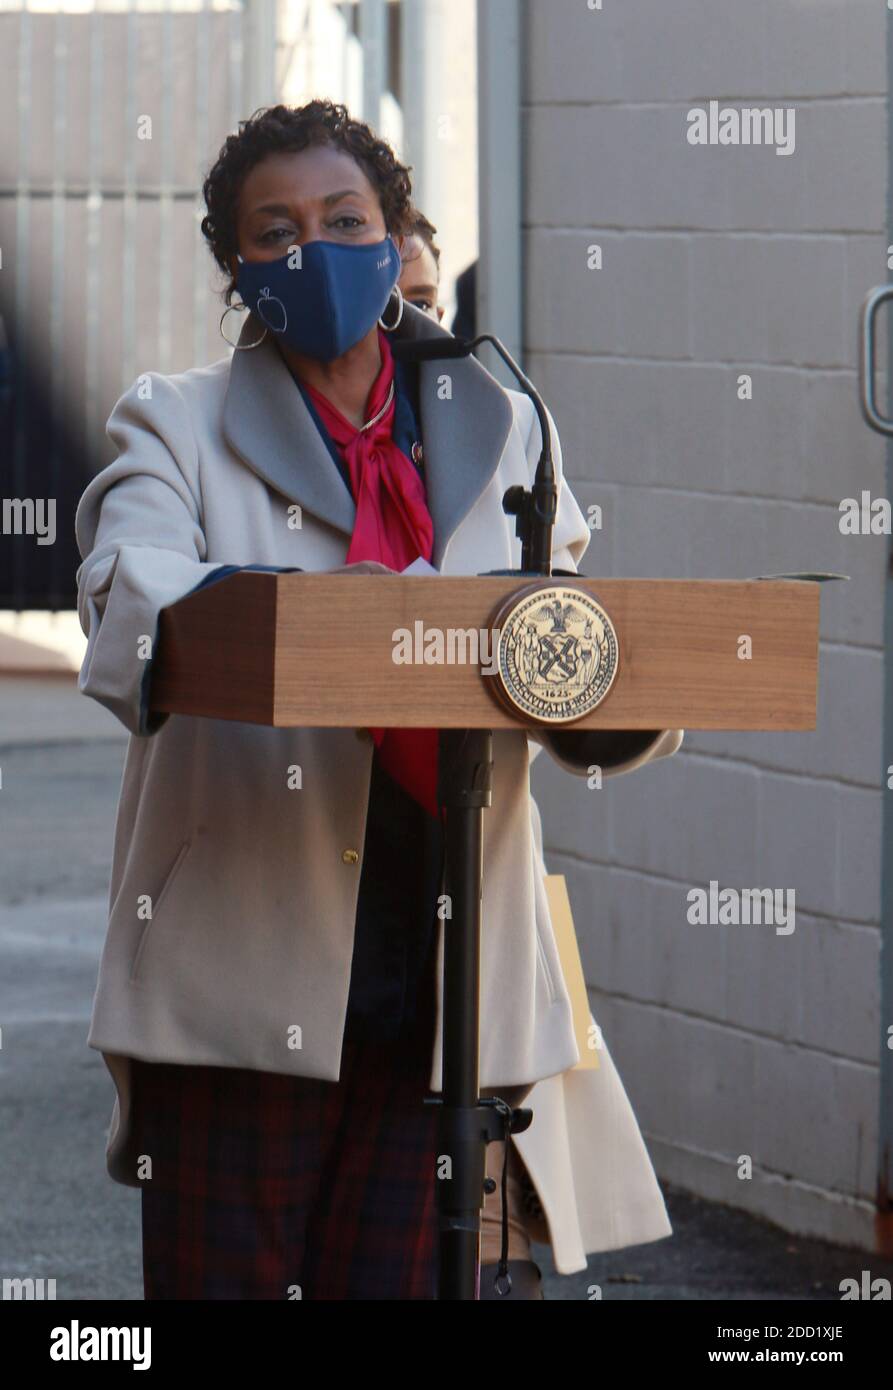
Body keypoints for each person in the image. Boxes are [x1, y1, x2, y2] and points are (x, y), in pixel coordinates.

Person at [75, 99, 682, 1301]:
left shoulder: (503, 423)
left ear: (395, 232)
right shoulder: (174, 421)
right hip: (245, 974)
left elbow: (562, 625)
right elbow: (128, 598)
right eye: (275, 228)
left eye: (344, 219)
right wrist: (336, 622)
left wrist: (603, 693)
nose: (314, 247)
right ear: (236, 266)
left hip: (440, 979)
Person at [398, 215, 681, 1298]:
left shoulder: (508, 435)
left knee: (487, 1246)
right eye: (397, 303)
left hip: (476, 873)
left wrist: (613, 694)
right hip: (318, 870)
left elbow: (563, 648)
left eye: (429, 300)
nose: (414, 328)